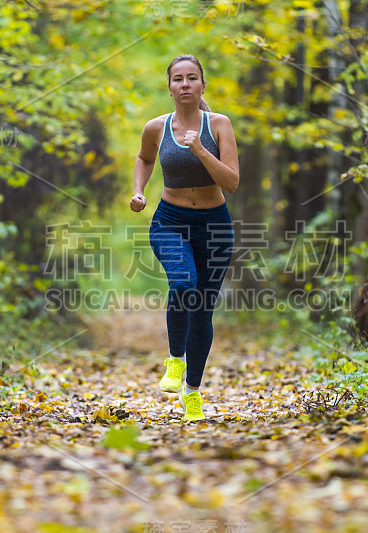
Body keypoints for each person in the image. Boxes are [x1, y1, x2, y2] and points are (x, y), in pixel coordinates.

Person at [130, 54, 239, 422]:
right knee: (183, 282)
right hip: (170, 220)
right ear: (170, 87)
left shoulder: (219, 125)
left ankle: (192, 391)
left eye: (193, 78)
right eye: (178, 79)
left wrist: (200, 150)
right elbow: (144, 159)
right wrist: (139, 191)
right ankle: (175, 359)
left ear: (203, 86)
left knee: (203, 308)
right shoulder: (156, 128)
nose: (186, 84)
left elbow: (232, 182)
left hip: (214, 225)